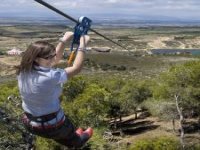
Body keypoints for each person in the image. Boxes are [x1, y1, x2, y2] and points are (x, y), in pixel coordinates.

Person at [16, 31, 93, 148]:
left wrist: (64, 39)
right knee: (72, 137)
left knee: (56, 135)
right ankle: (78, 140)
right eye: (49, 57)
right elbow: (76, 68)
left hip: (30, 123)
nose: (53, 58)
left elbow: (54, 60)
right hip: (53, 126)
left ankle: (67, 138)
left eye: (53, 55)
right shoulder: (50, 76)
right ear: (36, 59)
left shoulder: (23, 70)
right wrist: (83, 45)